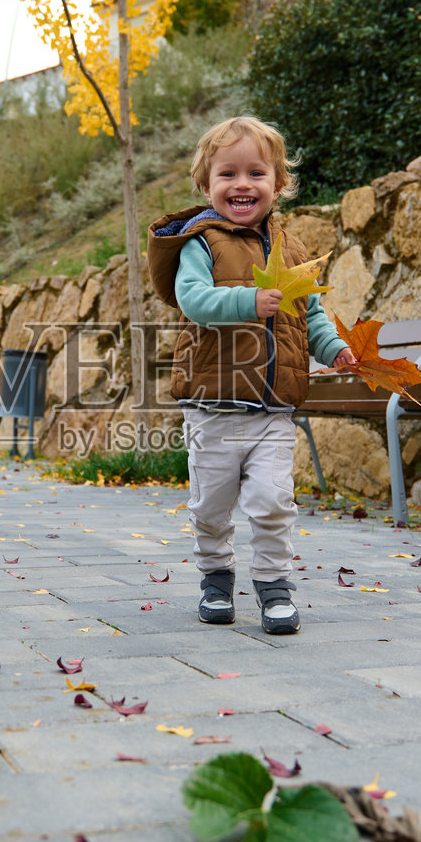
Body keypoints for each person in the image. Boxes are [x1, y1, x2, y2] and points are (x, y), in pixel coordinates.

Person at [146, 116, 355, 634]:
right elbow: (192, 299)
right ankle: (216, 579)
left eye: (256, 173)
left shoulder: (294, 250)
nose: (242, 184)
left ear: (278, 184)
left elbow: (310, 317)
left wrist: (333, 349)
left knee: (272, 501)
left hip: (273, 410)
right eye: (227, 174)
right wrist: (248, 301)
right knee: (211, 506)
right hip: (213, 405)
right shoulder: (201, 243)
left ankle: (274, 586)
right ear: (206, 184)